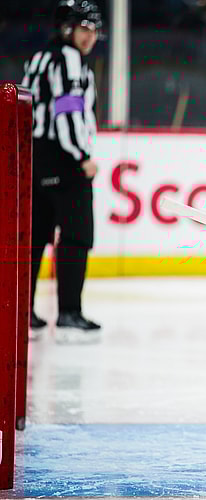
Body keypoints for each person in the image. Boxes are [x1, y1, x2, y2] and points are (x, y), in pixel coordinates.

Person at [21, 0, 102, 344]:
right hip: (64, 160)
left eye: (93, 29)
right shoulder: (69, 60)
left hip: (34, 159)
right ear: (66, 28)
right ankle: (69, 312)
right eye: (83, 28)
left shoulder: (38, 59)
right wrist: (81, 155)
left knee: (35, 236)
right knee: (76, 236)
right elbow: (67, 110)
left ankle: (22, 310)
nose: (89, 36)